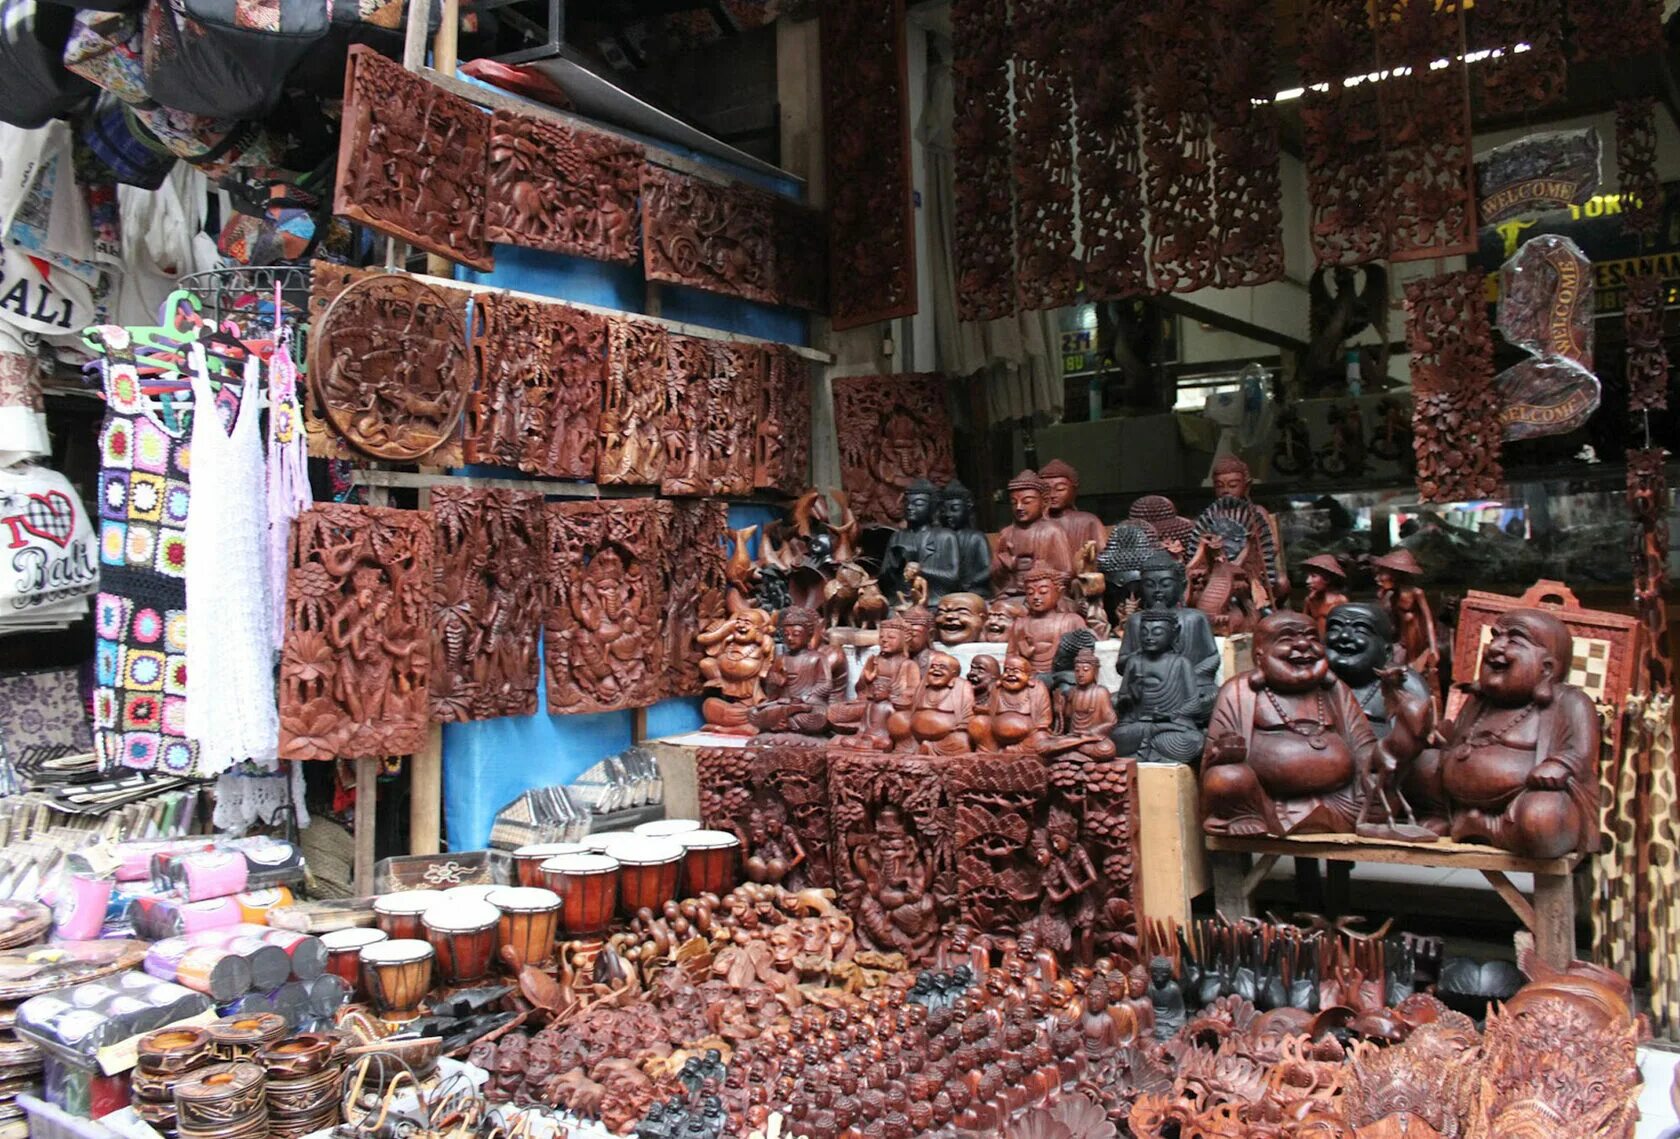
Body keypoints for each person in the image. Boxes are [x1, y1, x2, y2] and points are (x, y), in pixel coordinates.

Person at [1408, 610, 1599, 859]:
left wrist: (1559, 764)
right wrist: (1444, 739)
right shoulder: (1479, 701)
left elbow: (1582, 753)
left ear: (1547, 669)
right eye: (1495, 637)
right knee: (1422, 763)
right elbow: (1457, 741)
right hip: (1457, 797)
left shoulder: (1571, 702)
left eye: (1513, 641)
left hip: (1522, 799)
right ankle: (1444, 816)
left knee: (1542, 818)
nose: (1495, 647)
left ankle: (1489, 828)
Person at [1111, 610, 1207, 764]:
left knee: (1194, 741)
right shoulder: (1134, 662)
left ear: (1173, 635)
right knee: (1114, 738)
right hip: (1139, 725)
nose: (1149, 637)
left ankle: (1146, 750)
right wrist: (1131, 696)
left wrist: (1169, 716)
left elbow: (1194, 705)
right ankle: (1153, 748)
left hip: (1170, 725)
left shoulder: (1181, 663)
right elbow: (1122, 702)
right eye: (1144, 633)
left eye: (1157, 632)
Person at [990, 470, 1075, 596]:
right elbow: (995, 577)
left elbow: (1066, 573)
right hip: (1013, 594)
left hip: (1044, 597)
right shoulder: (1007, 533)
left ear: (1044, 502)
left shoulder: (1052, 531)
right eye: (1014, 502)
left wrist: (1041, 573)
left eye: (1027, 502)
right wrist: (1006, 565)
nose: (1019, 507)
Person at [939, 480, 993, 597]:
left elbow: (989, 568)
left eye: (954, 509)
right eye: (944, 510)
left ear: (967, 508)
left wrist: (970, 582)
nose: (948, 514)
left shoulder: (976, 537)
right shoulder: (940, 538)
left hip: (973, 590)